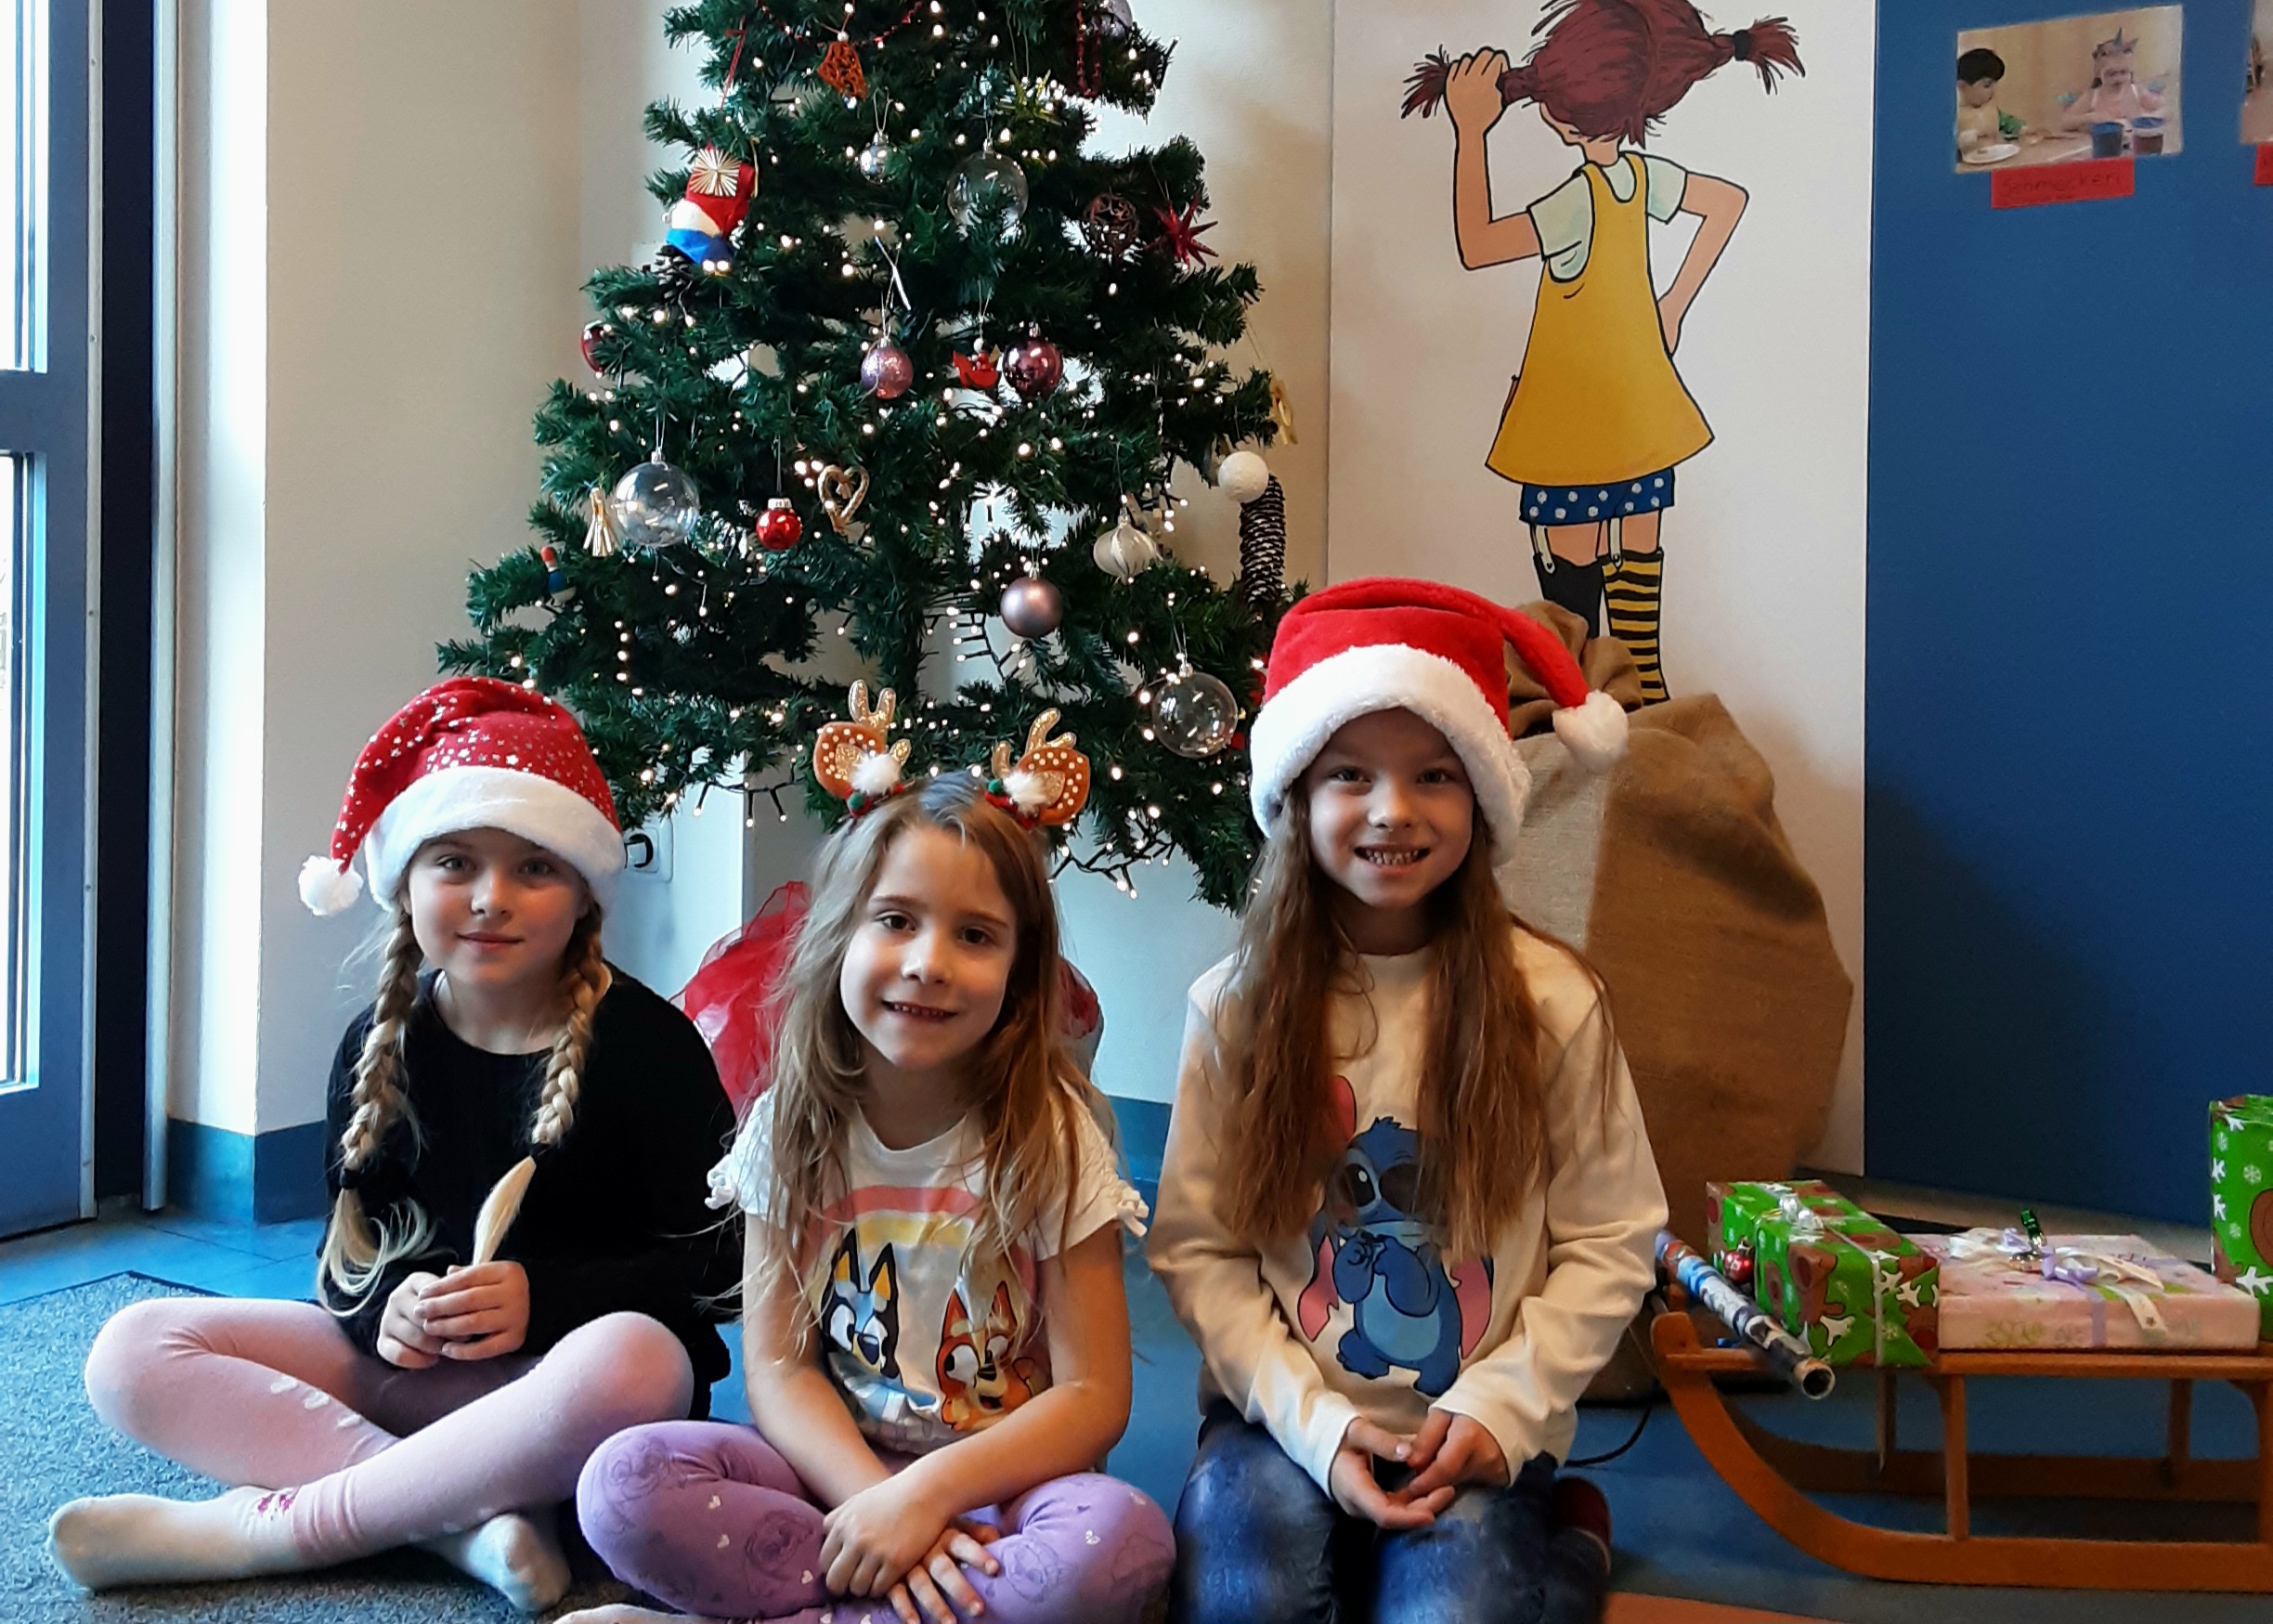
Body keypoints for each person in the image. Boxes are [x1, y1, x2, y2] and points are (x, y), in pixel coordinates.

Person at [48, 677, 738, 1614]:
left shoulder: (650, 1047)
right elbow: (347, 1260)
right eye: (455, 862)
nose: (491, 898)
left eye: (534, 868)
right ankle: (463, 1529)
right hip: (413, 1384)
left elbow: (721, 1267)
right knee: (133, 1349)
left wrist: (546, 1300)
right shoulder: (381, 1046)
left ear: (583, 894)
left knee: (639, 1359)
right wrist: (389, 1311)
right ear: (405, 884)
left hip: (565, 1397)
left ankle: (280, 1528)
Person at [564, 695, 1172, 1624]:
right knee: (623, 1484)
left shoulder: (1053, 1134)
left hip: (1004, 1495)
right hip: (834, 1484)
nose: (928, 961)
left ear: (1020, 973)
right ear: (838, 936)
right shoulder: (791, 1125)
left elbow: (1092, 1396)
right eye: (895, 920)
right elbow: (779, 1371)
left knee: (1123, 1544)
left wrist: (927, 1498)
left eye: (975, 935)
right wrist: (876, 1500)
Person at [1149, 578, 1669, 1624]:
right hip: (1279, 1423)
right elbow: (1200, 1251)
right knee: (1245, 1602)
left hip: (1475, 1426)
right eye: (1350, 774)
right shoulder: (1234, 1009)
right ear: (1296, 797)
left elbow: (1614, 1239)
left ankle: (1565, 1546)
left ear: (1482, 798)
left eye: (1434, 773)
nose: (1393, 809)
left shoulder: (1553, 1002)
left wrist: (1500, 1408)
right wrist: (1317, 1427)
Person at [1404, 2, 1803, 701]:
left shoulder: (1576, 202)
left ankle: (1579, 704)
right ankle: (1642, 701)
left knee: (1572, 610)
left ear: (1567, 117)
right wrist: (1671, 306)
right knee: (1639, 590)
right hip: (1642, 424)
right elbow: (1727, 202)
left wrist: (1471, 135)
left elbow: (1478, 244)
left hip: (1575, 433)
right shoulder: (1642, 179)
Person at [2059, 29, 2164, 131]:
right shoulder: (2092, 96)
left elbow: (2165, 110)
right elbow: (2065, 122)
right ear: (2098, 74)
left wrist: (2148, 115)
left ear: (2131, 72)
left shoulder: (2137, 92)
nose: (2118, 79)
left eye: (2123, 72)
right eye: (2111, 74)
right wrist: (2089, 117)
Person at [1955, 47, 2020, 156]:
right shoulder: (1953, 114)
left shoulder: (1990, 109)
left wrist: (2021, 129)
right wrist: (1971, 137)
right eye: (1987, 85)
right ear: (1962, 86)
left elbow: (2006, 122)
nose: (1993, 90)